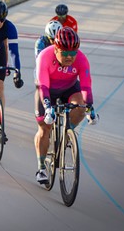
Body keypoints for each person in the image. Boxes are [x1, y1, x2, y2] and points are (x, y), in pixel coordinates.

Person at [34, 27, 99, 184]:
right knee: (44, 128)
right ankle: (42, 167)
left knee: (81, 106)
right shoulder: (44, 56)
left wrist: (90, 107)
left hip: (69, 88)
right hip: (47, 90)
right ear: (56, 49)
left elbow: (86, 86)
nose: (70, 57)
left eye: (73, 53)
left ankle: (66, 134)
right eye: (65, 53)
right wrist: (48, 107)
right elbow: (43, 85)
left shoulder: (82, 59)